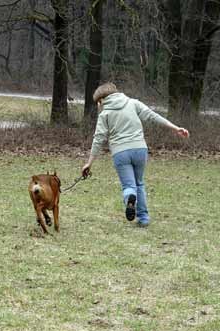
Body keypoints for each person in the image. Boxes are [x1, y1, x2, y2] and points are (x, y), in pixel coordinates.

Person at [81, 82, 189, 227]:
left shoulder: (104, 114)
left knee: (129, 186)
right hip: (140, 149)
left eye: (98, 103)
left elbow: (99, 138)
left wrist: (89, 162)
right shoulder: (132, 103)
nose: (98, 106)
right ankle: (143, 218)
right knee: (139, 183)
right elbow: (152, 116)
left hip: (120, 152)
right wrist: (175, 128)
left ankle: (130, 198)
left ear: (101, 100)